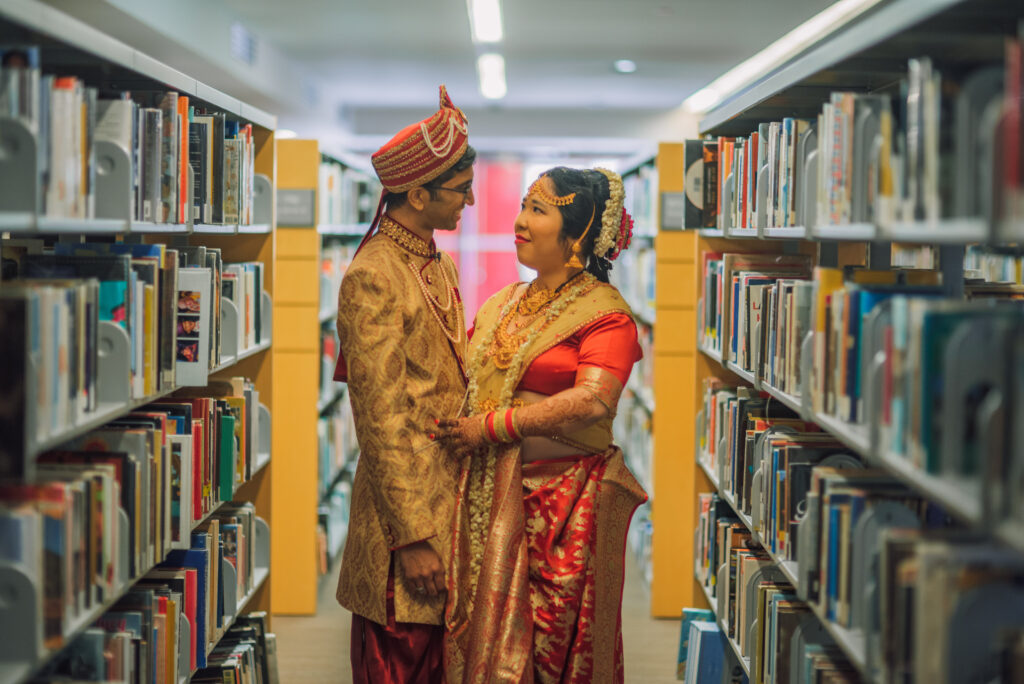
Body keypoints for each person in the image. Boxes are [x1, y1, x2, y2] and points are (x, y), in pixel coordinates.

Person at [437, 166, 648, 683]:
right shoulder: (504, 303)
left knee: (552, 651)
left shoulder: (607, 316)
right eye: (523, 206)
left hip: (563, 504)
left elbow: (595, 400)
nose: (519, 221)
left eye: (538, 210)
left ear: (577, 233)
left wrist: (491, 428)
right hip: (488, 493)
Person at [333, 85, 477, 684]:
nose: (469, 202)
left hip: (453, 502)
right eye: (460, 191)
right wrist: (412, 538)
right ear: (418, 195)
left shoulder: (437, 262)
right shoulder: (372, 276)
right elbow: (381, 418)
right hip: (406, 526)